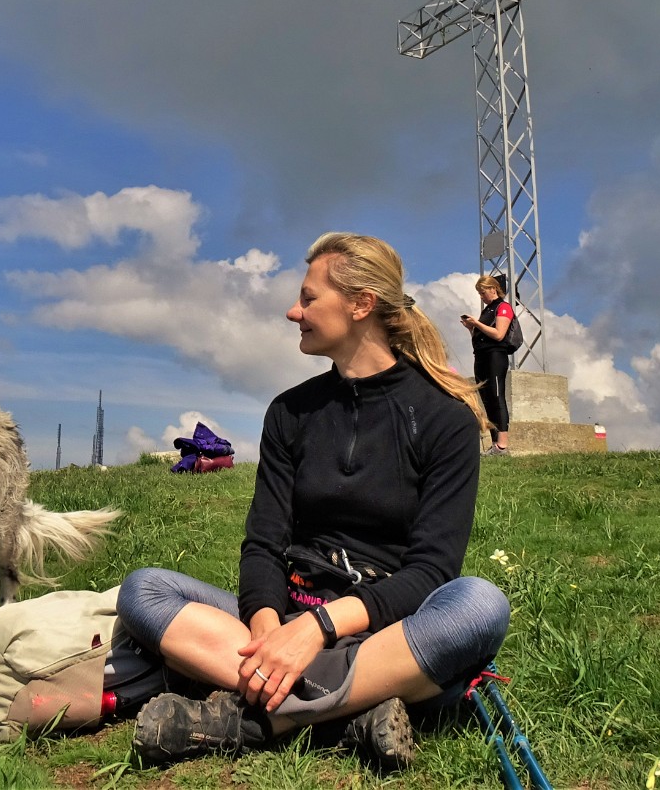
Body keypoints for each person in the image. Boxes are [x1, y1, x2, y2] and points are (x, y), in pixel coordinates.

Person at [116, 233, 510, 769]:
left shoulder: (445, 419)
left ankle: (249, 719)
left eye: (308, 298)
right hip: (288, 617)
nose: (291, 311)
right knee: (145, 590)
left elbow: (433, 572)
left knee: (479, 606)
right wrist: (267, 630)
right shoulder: (289, 413)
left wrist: (318, 630)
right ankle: (353, 708)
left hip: (384, 631)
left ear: (360, 304)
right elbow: (263, 544)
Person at [461, 275, 514, 455]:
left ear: (493, 289)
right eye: (479, 293)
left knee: (496, 396)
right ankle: (494, 444)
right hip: (481, 356)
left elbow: (499, 334)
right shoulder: (487, 311)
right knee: (486, 398)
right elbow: (480, 339)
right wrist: (472, 329)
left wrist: (477, 323)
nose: (481, 297)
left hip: (495, 356)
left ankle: (503, 444)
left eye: (482, 292)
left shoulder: (503, 307)